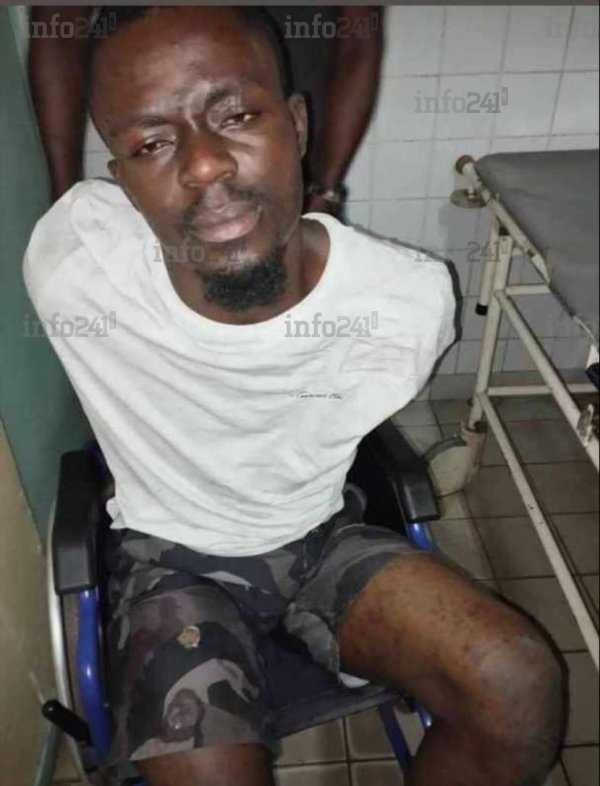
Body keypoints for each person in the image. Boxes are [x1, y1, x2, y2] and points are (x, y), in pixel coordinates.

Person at [24, 7, 565, 786]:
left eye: (238, 116)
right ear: (122, 181)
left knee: (516, 680)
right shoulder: (77, 268)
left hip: (319, 537)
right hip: (168, 561)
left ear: (298, 124)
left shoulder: (401, 304)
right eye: (151, 144)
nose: (205, 165)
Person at [28, 5, 384, 214]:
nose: (206, 165)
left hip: (297, 171)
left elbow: (358, 40)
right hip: (163, 182)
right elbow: (58, 33)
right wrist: (64, 199)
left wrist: (325, 189)